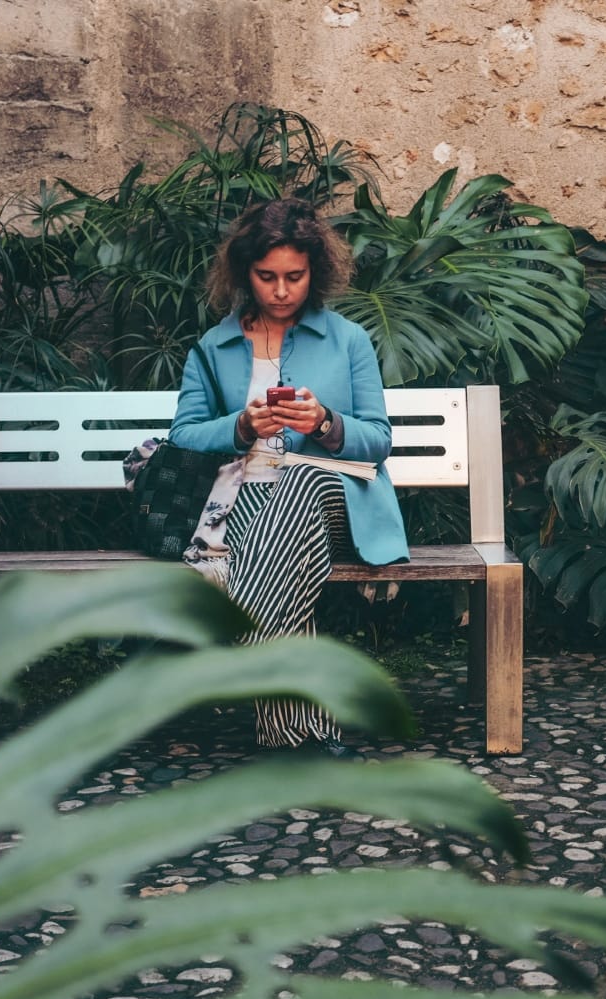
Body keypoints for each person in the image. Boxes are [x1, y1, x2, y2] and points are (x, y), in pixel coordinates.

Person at [168, 197, 409, 756]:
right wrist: (242, 427)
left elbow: (378, 440)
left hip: (334, 498)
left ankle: (234, 634)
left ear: (315, 272)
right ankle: (299, 736)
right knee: (278, 543)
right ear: (244, 273)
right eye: (267, 277)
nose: (281, 291)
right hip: (244, 505)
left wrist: (325, 422)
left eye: (294, 277)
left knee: (297, 484)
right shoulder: (213, 348)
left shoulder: (348, 339)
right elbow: (183, 438)